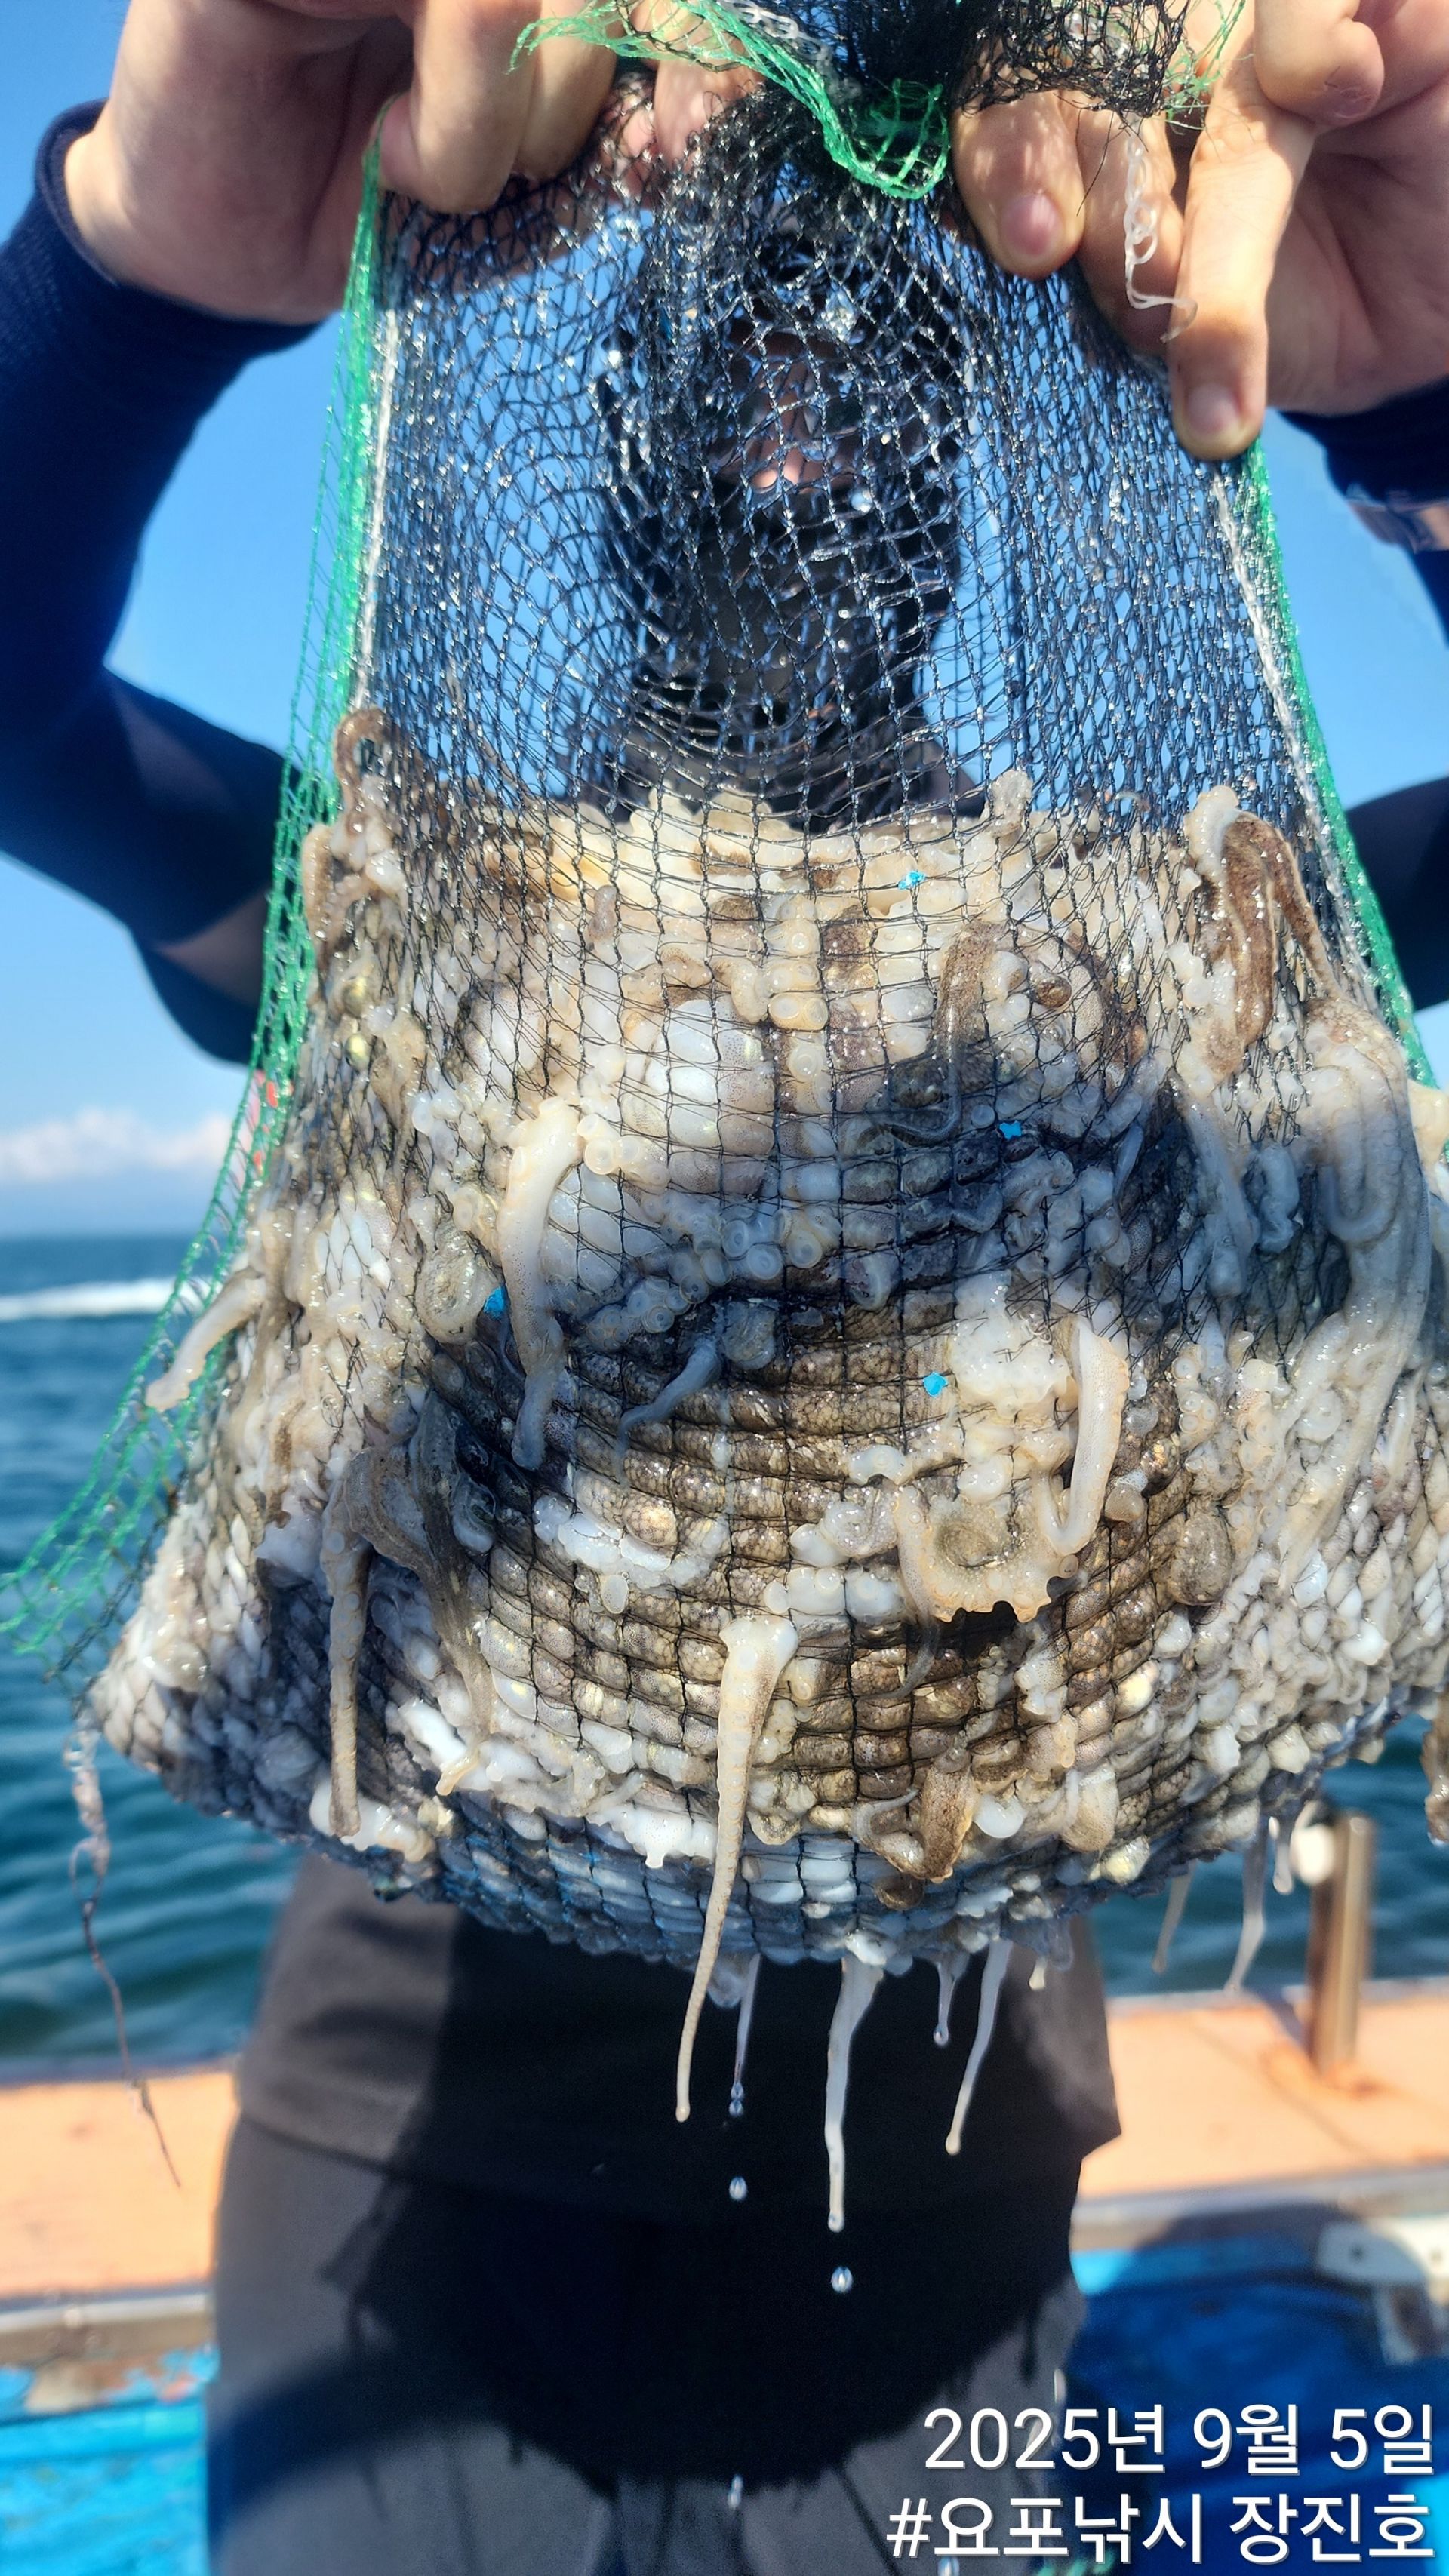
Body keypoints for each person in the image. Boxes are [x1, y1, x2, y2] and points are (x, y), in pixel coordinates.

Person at [3, 4, 1449, 2568]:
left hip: (957, 2213)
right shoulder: (404, 914)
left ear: (960, 479)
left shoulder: (1172, 969)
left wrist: (1425, 393)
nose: (802, 435)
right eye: (731, 384)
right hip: (421, 2202)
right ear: (619, 452)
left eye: (867, 391)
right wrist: (131, 267)